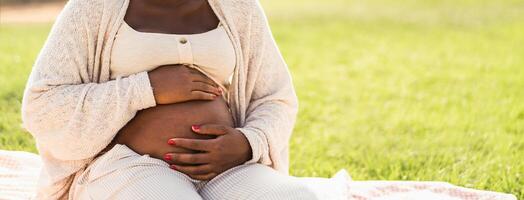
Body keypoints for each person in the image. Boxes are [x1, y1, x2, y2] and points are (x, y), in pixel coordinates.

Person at [21, 0, 318, 199]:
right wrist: (145, 88)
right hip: (128, 165)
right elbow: (44, 104)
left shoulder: (238, 7)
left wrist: (248, 143)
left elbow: (275, 97)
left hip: (228, 167)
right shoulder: (93, 8)